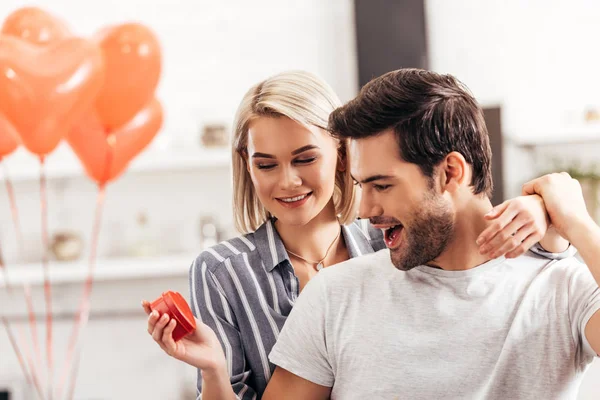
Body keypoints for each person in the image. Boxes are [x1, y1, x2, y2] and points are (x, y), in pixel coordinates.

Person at [142, 70, 571, 399]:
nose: (288, 182)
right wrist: (215, 371)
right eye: (266, 164)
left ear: (343, 155)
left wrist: (549, 207)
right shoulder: (224, 272)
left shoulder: (397, 241)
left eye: (305, 158)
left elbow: (483, 248)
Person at [263, 68, 600, 399]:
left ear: (450, 173)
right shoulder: (334, 295)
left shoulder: (561, 289)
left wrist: (577, 223)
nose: (364, 211)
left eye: (381, 185)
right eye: (361, 185)